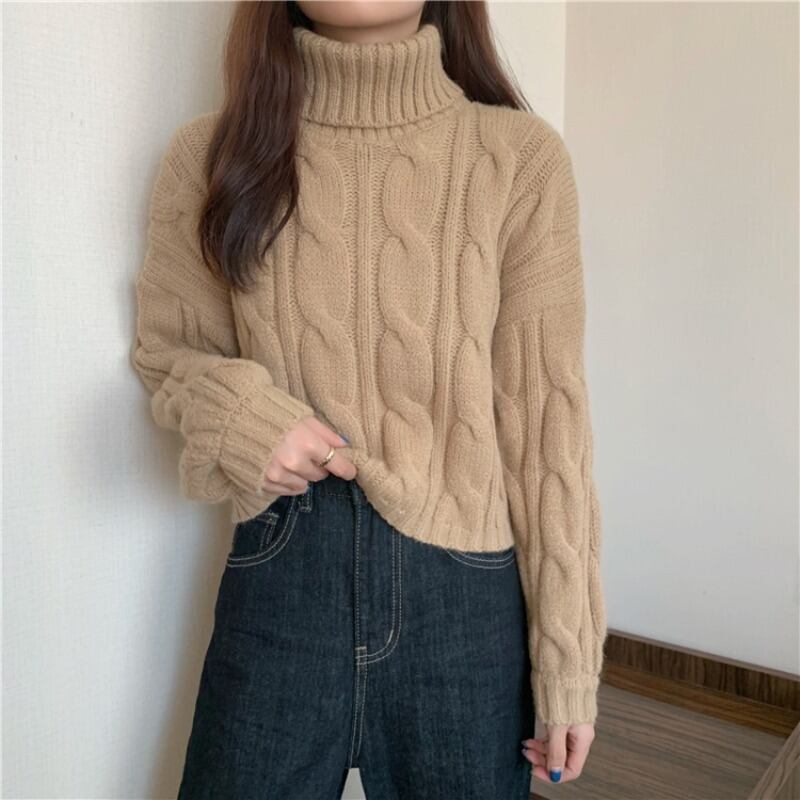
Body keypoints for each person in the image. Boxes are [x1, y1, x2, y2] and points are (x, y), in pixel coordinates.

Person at [130, 1, 608, 797]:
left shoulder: (520, 159)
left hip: (467, 606)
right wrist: (247, 417)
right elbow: (168, 351)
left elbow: (549, 430)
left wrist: (569, 662)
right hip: (283, 582)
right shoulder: (210, 156)